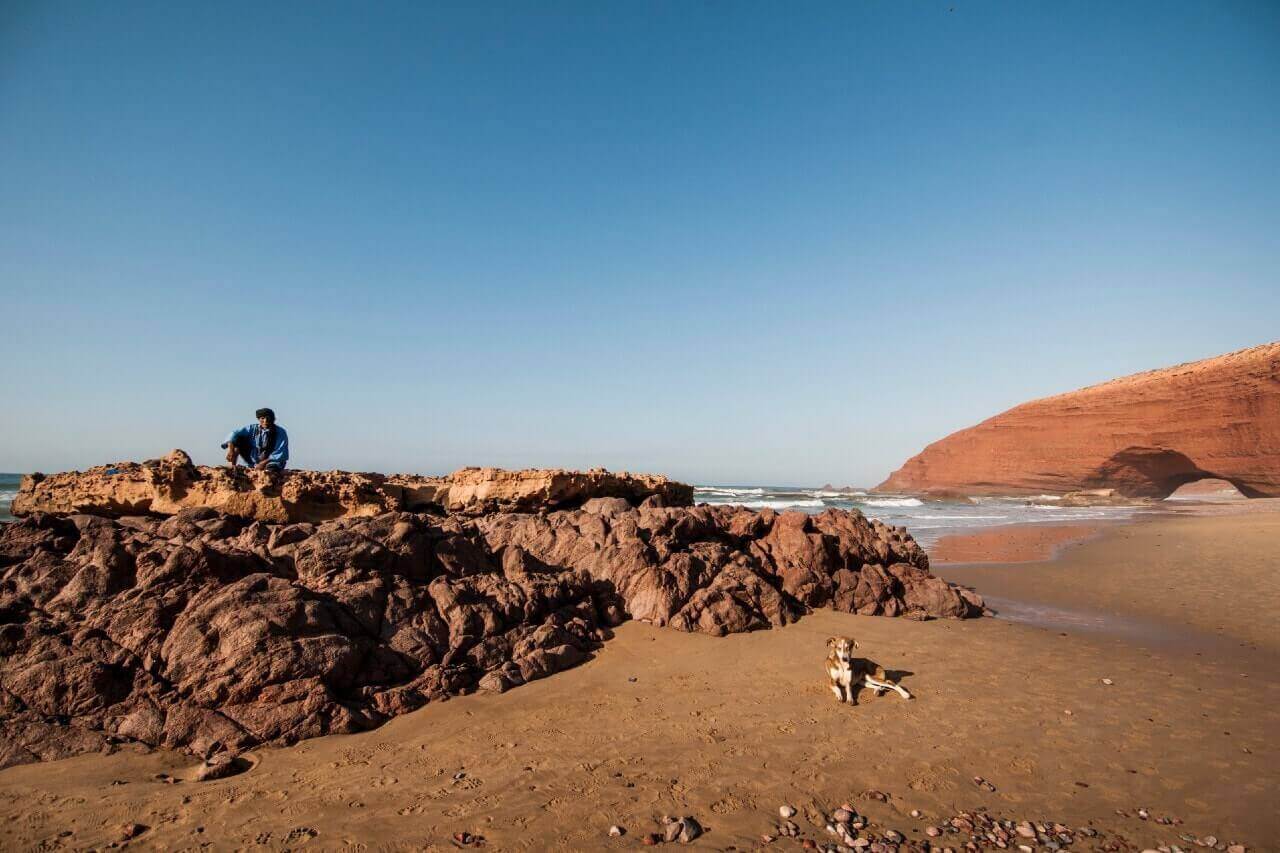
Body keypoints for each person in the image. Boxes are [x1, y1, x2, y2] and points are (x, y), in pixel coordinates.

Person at [222, 408, 289, 471]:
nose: (265, 421)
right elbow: (234, 434)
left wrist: (263, 463)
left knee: (270, 470)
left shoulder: (280, 432)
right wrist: (231, 450)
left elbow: (280, 453)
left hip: (271, 461)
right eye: (262, 418)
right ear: (258, 419)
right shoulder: (252, 428)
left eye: (268, 418)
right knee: (238, 439)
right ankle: (233, 465)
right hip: (253, 460)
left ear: (273, 419)